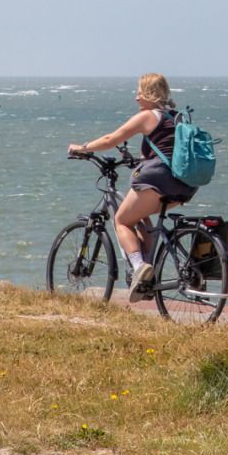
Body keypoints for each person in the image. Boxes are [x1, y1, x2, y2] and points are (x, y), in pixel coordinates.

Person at [68, 72, 196, 295]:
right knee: (140, 218)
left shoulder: (148, 116)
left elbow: (110, 140)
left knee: (121, 220)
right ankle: (148, 276)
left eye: (140, 92)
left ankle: (139, 267)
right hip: (186, 184)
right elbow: (169, 149)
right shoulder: (175, 117)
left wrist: (83, 147)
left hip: (158, 180)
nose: (136, 98)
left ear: (150, 94)